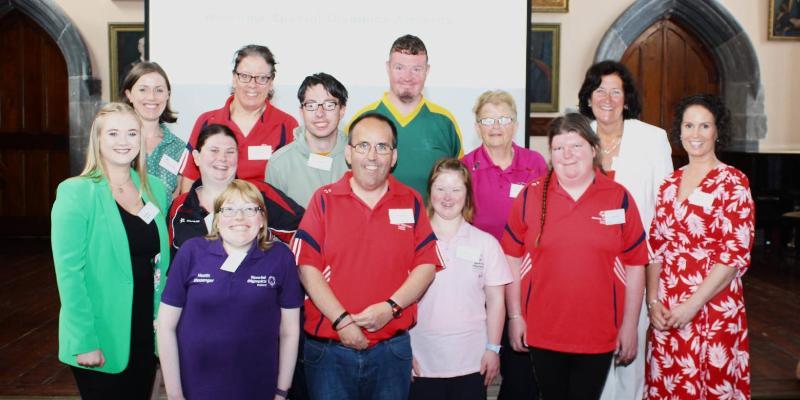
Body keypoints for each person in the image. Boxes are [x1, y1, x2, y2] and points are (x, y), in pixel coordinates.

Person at [293, 113, 443, 400]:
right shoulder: (323, 199)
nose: (372, 156)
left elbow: (426, 265)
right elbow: (306, 268)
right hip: (329, 352)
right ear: (349, 153)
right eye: (363, 146)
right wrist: (342, 321)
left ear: (394, 156)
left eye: (382, 147)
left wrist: (391, 308)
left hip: (391, 352)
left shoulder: (410, 200)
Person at [502, 113, 648, 400]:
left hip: (599, 333)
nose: (567, 155)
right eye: (558, 148)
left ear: (593, 149)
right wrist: (515, 315)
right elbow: (512, 259)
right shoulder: (530, 196)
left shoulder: (618, 197)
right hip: (543, 332)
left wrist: (630, 326)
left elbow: (635, 265)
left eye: (576, 146)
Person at [51, 103, 171, 399]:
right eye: (113, 133)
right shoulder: (76, 192)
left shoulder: (154, 188)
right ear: (98, 139)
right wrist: (84, 340)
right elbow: (69, 275)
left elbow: (160, 265)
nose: (123, 141)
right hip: (100, 333)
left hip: (145, 331)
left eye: (131, 133)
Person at [644, 94, 754, 399]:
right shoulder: (668, 184)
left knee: (709, 386)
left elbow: (733, 255)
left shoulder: (733, 182)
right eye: (689, 125)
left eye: (705, 125)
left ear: (718, 131)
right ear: (679, 131)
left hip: (712, 306)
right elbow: (655, 247)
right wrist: (653, 302)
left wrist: (692, 306)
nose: (696, 133)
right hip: (667, 309)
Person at [577, 60, 674, 400]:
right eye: (599, 90)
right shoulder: (578, 137)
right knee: (592, 357)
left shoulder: (652, 139)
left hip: (638, 264)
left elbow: (665, 208)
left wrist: (655, 281)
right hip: (588, 267)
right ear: (588, 98)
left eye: (615, 92)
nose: (607, 99)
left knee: (632, 355)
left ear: (627, 99)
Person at [158, 179, 303, 400]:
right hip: (195, 388)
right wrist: (174, 394)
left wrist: (282, 391)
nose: (239, 217)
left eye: (250, 209)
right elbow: (165, 327)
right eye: (229, 209)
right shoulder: (191, 253)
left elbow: (290, 331)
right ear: (217, 219)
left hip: (258, 388)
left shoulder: (281, 258)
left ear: (262, 219)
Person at [460, 90, 546, 399]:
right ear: (477, 126)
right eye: (488, 120)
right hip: (477, 282)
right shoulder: (465, 167)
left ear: (516, 124)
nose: (496, 126)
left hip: (522, 282)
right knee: (473, 373)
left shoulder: (534, 163)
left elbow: (545, 218)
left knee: (521, 376)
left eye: (503, 119)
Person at [409, 158, 511, 400]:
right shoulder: (411, 240)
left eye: (456, 189)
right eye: (440, 188)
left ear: (467, 195)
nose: (447, 197)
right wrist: (403, 352)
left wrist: (493, 348)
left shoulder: (485, 243)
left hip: (472, 362)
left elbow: (496, 301)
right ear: (430, 192)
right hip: (421, 361)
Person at [348, 34, 462, 201]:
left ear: (427, 71)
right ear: (388, 68)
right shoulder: (362, 120)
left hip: (430, 219)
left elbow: (461, 183)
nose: (408, 77)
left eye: (416, 69)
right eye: (399, 68)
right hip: (373, 218)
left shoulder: (445, 122)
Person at [179, 44, 298, 193]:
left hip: (266, 207)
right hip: (213, 206)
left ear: (271, 82)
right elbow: (189, 180)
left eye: (262, 78)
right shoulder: (207, 121)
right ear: (234, 78)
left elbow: (293, 183)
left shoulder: (287, 125)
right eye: (245, 76)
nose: (252, 85)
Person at [169, 124, 303, 253]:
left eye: (230, 152)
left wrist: (281, 263)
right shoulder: (179, 206)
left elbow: (306, 232)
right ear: (196, 157)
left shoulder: (259, 194)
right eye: (214, 150)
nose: (222, 158)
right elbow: (171, 259)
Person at [265, 72, 350, 207]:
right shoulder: (280, 164)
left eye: (329, 105)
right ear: (301, 111)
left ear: (342, 110)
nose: (320, 113)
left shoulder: (360, 157)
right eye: (311, 105)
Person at [121, 61, 187, 198]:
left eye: (159, 90)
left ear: (168, 95)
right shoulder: (117, 143)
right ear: (129, 95)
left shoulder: (179, 148)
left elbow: (178, 200)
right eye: (143, 90)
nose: (151, 97)